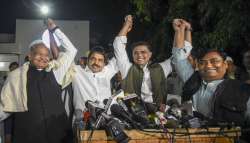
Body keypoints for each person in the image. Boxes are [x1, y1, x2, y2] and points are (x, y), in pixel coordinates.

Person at [0, 19, 77, 143]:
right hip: (27, 135)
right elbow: (5, 106)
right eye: (38, 54)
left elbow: (72, 50)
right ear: (30, 56)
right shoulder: (16, 77)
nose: (43, 58)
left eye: (47, 55)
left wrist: (54, 29)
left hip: (58, 135)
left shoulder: (56, 71)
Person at [172, 18, 250, 126]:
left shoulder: (242, 90)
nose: (208, 65)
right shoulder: (192, 80)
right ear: (198, 65)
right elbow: (179, 57)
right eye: (203, 62)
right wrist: (180, 30)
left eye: (214, 61)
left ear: (225, 64)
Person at [113, 15, 172, 112]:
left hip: (159, 116)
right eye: (135, 53)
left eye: (143, 52)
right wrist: (127, 24)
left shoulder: (161, 68)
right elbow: (118, 45)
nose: (139, 55)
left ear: (150, 55)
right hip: (134, 116)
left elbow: (179, 57)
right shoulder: (127, 68)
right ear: (132, 55)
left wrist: (181, 31)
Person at [72, 46, 119, 116]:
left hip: (107, 118)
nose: (96, 62)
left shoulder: (107, 71)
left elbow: (120, 55)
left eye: (100, 60)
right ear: (87, 60)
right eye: (93, 59)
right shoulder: (76, 71)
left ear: (104, 64)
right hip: (83, 119)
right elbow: (68, 54)